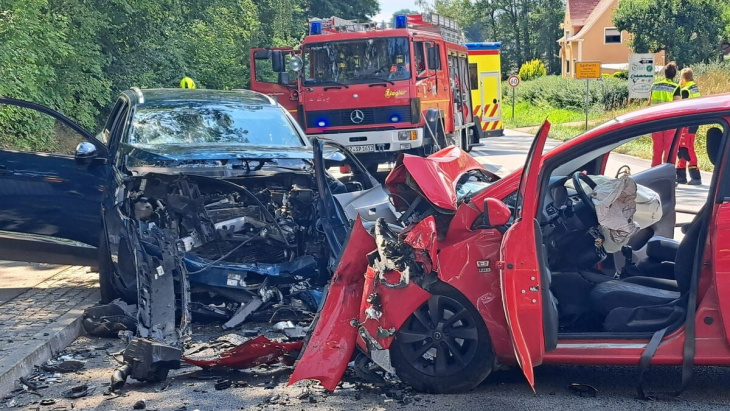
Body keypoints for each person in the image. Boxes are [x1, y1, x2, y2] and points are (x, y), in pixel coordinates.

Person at [648, 62, 681, 167]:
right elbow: (679, 105)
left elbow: (649, 104)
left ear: (665, 73)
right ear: (674, 74)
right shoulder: (676, 87)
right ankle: (667, 173)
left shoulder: (654, 86)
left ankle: (654, 173)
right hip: (670, 122)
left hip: (655, 121)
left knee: (657, 149)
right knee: (669, 149)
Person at [676, 68, 702, 185]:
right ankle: (681, 176)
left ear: (683, 77)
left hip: (689, 121)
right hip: (693, 120)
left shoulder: (686, 90)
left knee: (688, 148)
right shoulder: (694, 87)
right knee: (681, 148)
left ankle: (695, 176)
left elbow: (683, 107)